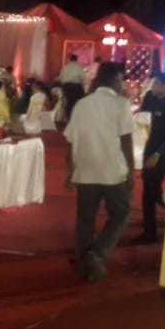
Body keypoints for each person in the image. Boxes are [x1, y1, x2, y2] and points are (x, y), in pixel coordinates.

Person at [64, 62, 135, 282]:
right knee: (121, 213)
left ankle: (85, 260)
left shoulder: (82, 104)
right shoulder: (121, 104)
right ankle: (97, 253)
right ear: (115, 79)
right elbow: (126, 140)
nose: (123, 84)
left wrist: (71, 169)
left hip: (85, 169)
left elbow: (69, 140)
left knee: (85, 219)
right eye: (121, 79)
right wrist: (131, 170)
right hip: (112, 170)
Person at [137, 73, 165, 243]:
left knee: (152, 190)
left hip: (164, 152)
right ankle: (152, 229)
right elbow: (144, 108)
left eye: (156, 84)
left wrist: (157, 154)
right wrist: (149, 93)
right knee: (149, 190)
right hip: (151, 149)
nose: (153, 86)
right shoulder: (154, 100)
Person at [59, 54, 87, 121]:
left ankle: (68, 118)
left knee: (68, 102)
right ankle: (76, 118)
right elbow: (84, 78)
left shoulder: (65, 67)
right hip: (76, 87)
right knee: (77, 103)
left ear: (70, 59)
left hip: (66, 87)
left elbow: (61, 78)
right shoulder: (79, 67)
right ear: (76, 59)